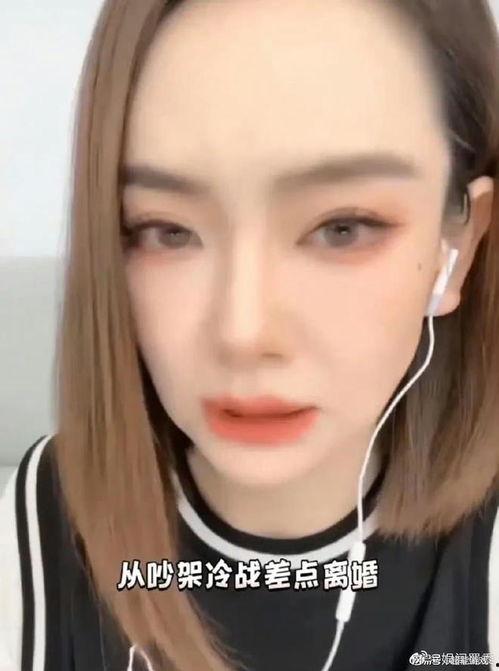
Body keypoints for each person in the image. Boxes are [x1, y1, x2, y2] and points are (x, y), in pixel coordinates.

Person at [1, 0, 499, 669]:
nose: (243, 332)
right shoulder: (36, 532)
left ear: (457, 248)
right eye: (166, 230)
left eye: (342, 227)